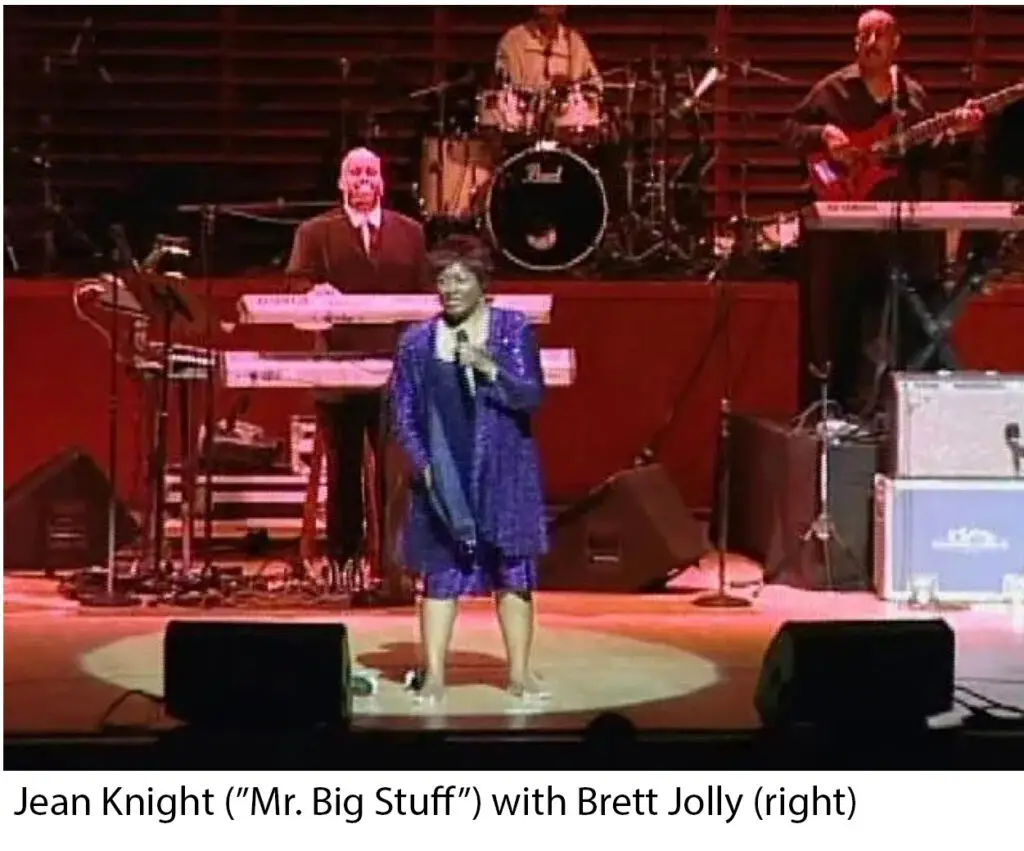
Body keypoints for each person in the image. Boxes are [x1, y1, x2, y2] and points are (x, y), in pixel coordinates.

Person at [783, 9, 983, 415]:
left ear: (896, 43)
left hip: (898, 236)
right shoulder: (831, 91)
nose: (871, 42)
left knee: (909, 322)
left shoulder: (912, 97)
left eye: (880, 34)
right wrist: (822, 134)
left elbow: (931, 155)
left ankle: (904, 416)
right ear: (855, 43)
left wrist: (957, 133)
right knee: (839, 327)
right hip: (842, 238)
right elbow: (788, 132)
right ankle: (832, 412)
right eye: (864, 35)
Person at [389, 234, 549, 705]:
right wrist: (422, 464)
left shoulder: (511, 329)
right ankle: (435, 674)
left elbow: (531, 396)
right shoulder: (416, 342)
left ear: (482, 283)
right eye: (442, 280)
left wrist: (489, 368)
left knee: (513, 570)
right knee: (440, 573)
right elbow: (402, 412)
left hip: (504, 470)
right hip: (445, 473)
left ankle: (519, 673)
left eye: (460, 279)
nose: (450, 289)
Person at [286, 147, 431, 587]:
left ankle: (393, 568)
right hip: (337, 371)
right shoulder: (315, 232)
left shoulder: (410, 233)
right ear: (341, 182)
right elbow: (297, 284)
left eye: (370, 172)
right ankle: (343, 565)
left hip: (394, 371)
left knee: (395, 472)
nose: (363, 179)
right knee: (344, 471)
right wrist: (314, 294)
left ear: (382, 181)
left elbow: (424, 296)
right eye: (354, 172)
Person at [496, 6, 600, 90]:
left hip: (566, 108)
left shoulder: (575, 42)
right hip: (524, 107)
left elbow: (594, 84)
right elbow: (507, 87)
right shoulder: (513, 39)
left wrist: (569, 86)